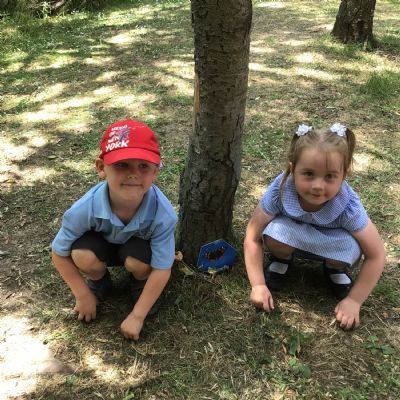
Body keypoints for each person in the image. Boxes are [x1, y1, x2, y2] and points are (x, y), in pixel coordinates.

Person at [244, 123, 386, 330]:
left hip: (332, 244)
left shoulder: (348, 206)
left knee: (352, 245)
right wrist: (258, 285)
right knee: (273, 232)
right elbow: (252, 236)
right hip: (291, 235)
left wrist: (354, 301)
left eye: (330, 176)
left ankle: (334, 268)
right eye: (309, 174)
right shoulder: (280, 190)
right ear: (293, 169)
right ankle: (282, 259)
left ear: (344, 175)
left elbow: (376, 255)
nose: (318, 186)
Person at [51, 119, 177, 340]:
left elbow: (162, 268)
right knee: (81, 255)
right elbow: (58, 253)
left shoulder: (163, 214)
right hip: (101, 248)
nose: (133, 174)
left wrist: (138, 316)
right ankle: (100, 282)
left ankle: (140, 283)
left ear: (155, 171)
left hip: (136, 253)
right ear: (102, 168)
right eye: (122, 165)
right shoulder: (84, 209)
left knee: (138, 263)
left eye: (144, 166)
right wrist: (82, 295)